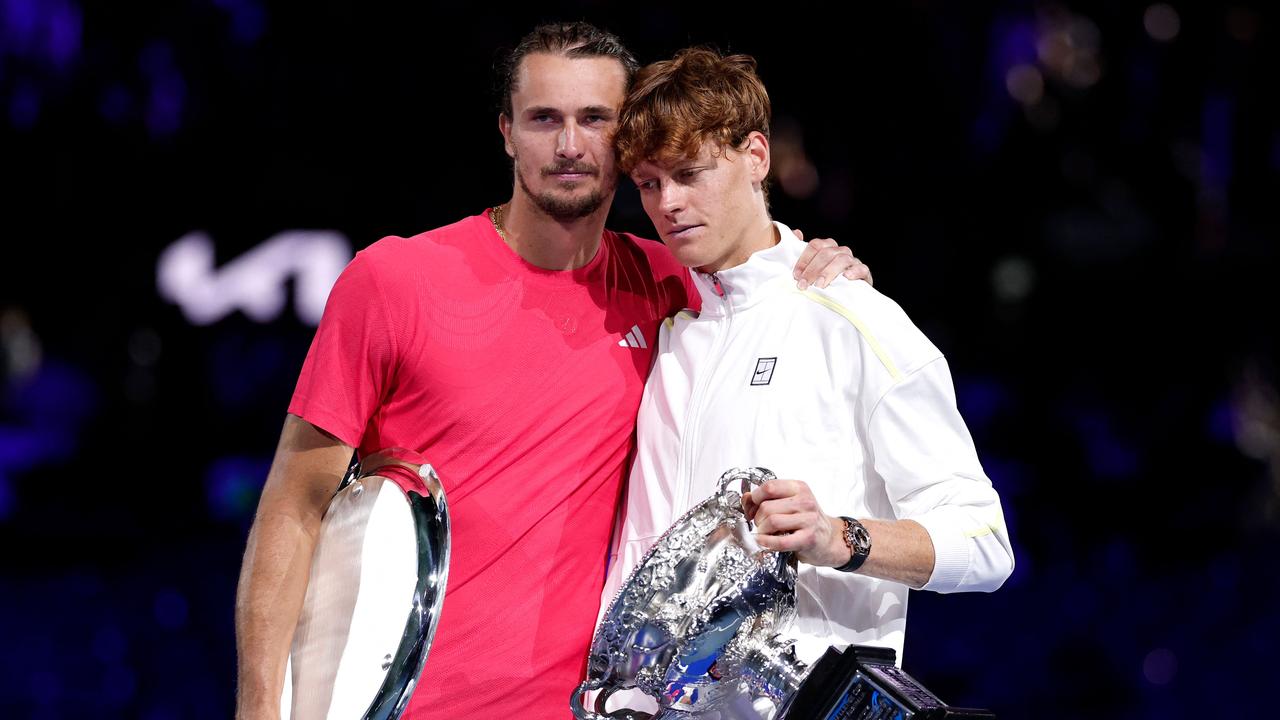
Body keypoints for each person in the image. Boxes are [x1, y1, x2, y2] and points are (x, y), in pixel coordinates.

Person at [233, 23, 868, 720]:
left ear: (626, 141)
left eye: (595, 120)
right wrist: (260, 707)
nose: (569, 146)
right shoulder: (392, 279)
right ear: (507, 131)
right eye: (544, 119)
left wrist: (823, 268)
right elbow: (294, 506)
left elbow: (761, 273)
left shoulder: (670, 289)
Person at [599, 47, 1014, 711]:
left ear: (756, 156)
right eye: (648, 184)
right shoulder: (668, 335)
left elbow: (985, 544)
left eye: (689, 173)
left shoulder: (850, 320)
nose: (668, 203)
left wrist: (837, 537)